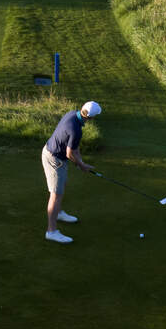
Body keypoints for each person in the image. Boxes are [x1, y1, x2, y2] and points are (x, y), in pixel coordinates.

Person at [42, 100, 101, 244]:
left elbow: (74, 148)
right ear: (91, 118)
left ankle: (59, 214)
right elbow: (69, 153)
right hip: (54, 158)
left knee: (62, 186)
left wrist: (81, 161)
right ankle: (51, 231)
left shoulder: (72, 114)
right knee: (55, 195)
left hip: (56, 155)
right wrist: (81, 166)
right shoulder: (76, 130)